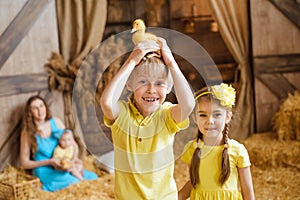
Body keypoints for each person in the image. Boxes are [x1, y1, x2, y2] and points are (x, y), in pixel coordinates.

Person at [100, 38, 195, 199]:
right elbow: (106, 103)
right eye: (143, 82)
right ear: (129, 84)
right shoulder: (122, 114)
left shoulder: (166, 115)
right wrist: (132, 61)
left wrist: (171, 62)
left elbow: (188, 105)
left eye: (159, 83)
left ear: (169, 88)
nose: (151, 90)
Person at [178, 83, 255, 200]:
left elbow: (248, 191)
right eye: (203, 115)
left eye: (217, 114)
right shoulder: (191, 148)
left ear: (227, 117)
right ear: (195, 118)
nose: (210, 121)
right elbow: (195, 182)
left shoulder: (238, 150)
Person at [20, 95, 98, 192]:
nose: (40, 110)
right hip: (44, 169)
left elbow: (73, 144)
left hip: (62, 166)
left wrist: (73, 160)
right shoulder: (27, 132)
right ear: (30, 113)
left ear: (45, 107)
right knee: (74, 182)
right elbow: (24, 163)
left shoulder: (56, 122)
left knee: (92, 177)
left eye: (41, 106)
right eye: (35, 108)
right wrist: (49, 162)